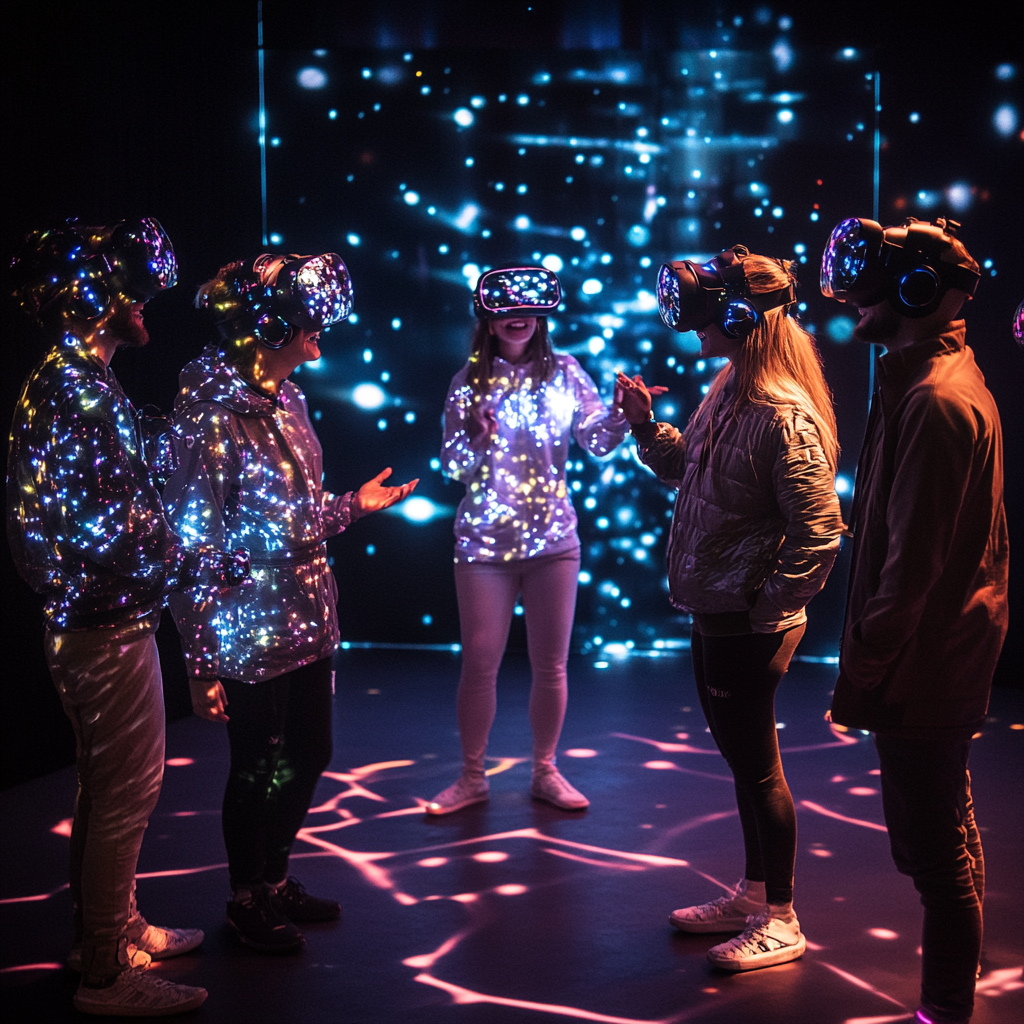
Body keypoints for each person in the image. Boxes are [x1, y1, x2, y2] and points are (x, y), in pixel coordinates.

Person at [7, 219, 247, 1016]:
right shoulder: (76, 388)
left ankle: (113, 930)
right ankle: (108, 974)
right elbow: (99, 525)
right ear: (95, 297)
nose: (148, 305)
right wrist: (186, 558)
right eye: (133, 292)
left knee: (107, 787)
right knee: (126, 792)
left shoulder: (76, 379)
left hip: (100, 616)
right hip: (102, 624)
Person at [163, 253, 417, 953]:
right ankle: (247, 896)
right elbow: (190, 544)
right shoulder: (207, 419)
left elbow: (294, 516)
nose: (320, 338)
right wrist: (201, 657)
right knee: (256, 762)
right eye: (310, 325)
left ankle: (275, 879)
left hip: (309, 611)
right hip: (247, 623)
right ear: (268, 328)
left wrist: (349, 509)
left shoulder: (289, 399)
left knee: (311, 751)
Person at [617, 246, 843, 971]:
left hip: (744, 620)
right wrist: (648, 428)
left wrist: (764, 611)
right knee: (744, 764)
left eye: (705, 312)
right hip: (717, 610)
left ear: (743, 316)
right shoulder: (731, 388)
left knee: (758, 767)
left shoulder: (784, 415)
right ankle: (754, 894)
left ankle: (782, 918)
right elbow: (693, 471)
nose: (691, 326)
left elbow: (819, 532)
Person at [821, 216, 1007, 1024]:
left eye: (874, 285)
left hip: (925, 664)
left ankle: (945, 1006)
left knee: (931, 851)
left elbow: (913, 568)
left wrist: (862, 665)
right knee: (949, 827)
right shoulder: (927, 381)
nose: (856, 305)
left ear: (919, 291)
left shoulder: (934, 402)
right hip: (941, 655)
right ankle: (957, 982)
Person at [426, 266, 629, 816]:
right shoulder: (467, 381)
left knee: (552, 666)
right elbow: (453, 467)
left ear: (540, 317)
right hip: (484, 545)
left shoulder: (565, 372)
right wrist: (475, 435)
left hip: (553, 543)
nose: (518, 316)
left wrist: (621, 417)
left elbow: (596, 441)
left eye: (528, 309)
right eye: (505, 308)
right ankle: (473, 777)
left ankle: (545, 770)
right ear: (488, 320)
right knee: (480, 664)